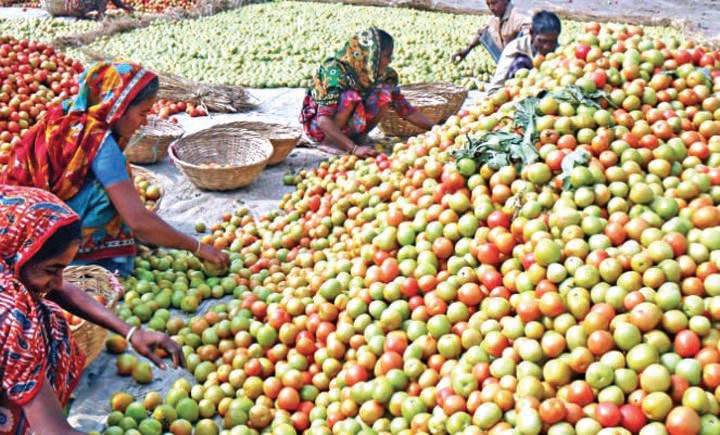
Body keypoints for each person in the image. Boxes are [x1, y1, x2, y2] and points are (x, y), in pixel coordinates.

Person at [0, 62, 229, 276]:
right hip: (36, 242)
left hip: (15, 222)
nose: (145, 122)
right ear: (118, 107)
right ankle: (77, 262)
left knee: (118, 185)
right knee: (109, 196)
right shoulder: (99, 142)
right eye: (142, 113)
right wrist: (197, 247)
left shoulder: (69, 114)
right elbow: (138, 222)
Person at [0, 185, 185, 435]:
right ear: (18, 252)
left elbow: (59, 288)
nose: (57, 281)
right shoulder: (11, 316)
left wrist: (130, 332)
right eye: (51, 269)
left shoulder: (8, 260)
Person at [300, 27, 434, 157]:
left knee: (384, 94)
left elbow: (406, 110)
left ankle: (358, 138)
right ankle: (330, 143)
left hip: (350, 126)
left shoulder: (383, 75)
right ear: (372, 55)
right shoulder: (334, 73)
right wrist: (354, 149)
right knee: (350, 97)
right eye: (387, 56)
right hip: (321, 128)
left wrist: (437, 129)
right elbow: (323, 120)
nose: (390, 60)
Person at [486, 10, 562, 95]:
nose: (547, 47)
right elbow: (494, 89)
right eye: (542, 41)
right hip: (517, 96)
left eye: (552, 42)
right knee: (521, 61)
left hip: (549, 100)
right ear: (532, 33)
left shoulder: (560, 53)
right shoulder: (516, 48)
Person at [452, 0, 531, 63]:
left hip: (521, 62)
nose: (491, 8)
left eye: (494, 2)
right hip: (506, 61)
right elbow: (481, 33)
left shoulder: (517, 16)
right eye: (488, 4)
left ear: (505, 0)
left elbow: (530, 27)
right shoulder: (495, 19)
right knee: (485, 34)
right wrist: (466, 50)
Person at [52, 0, 133, 20]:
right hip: (76, 6)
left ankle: (79, 14)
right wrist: (124, 7)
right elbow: (116, 1)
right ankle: (100, 17)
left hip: (67, 6)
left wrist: (124, 7)